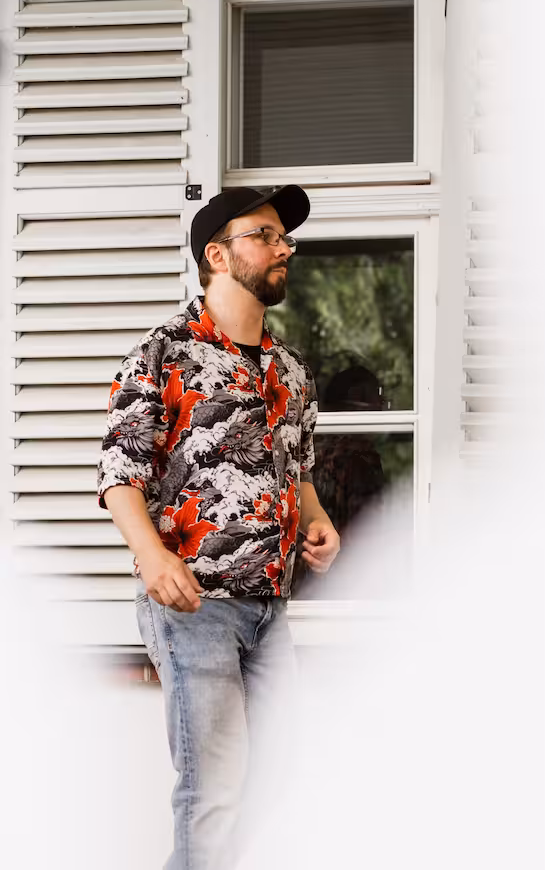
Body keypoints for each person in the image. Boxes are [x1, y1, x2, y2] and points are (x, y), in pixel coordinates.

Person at [97, 185, 340, 870]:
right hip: (195, 605)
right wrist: (152, 557)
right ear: (217, 255)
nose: (283, 248)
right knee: (213, 790)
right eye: (264, 235)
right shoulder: (163, 353)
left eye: (284, 237)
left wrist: (317, 520)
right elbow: (119, 474)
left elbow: (297, 472)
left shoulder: (291, 371)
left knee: (277, 778)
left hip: (270, 606)